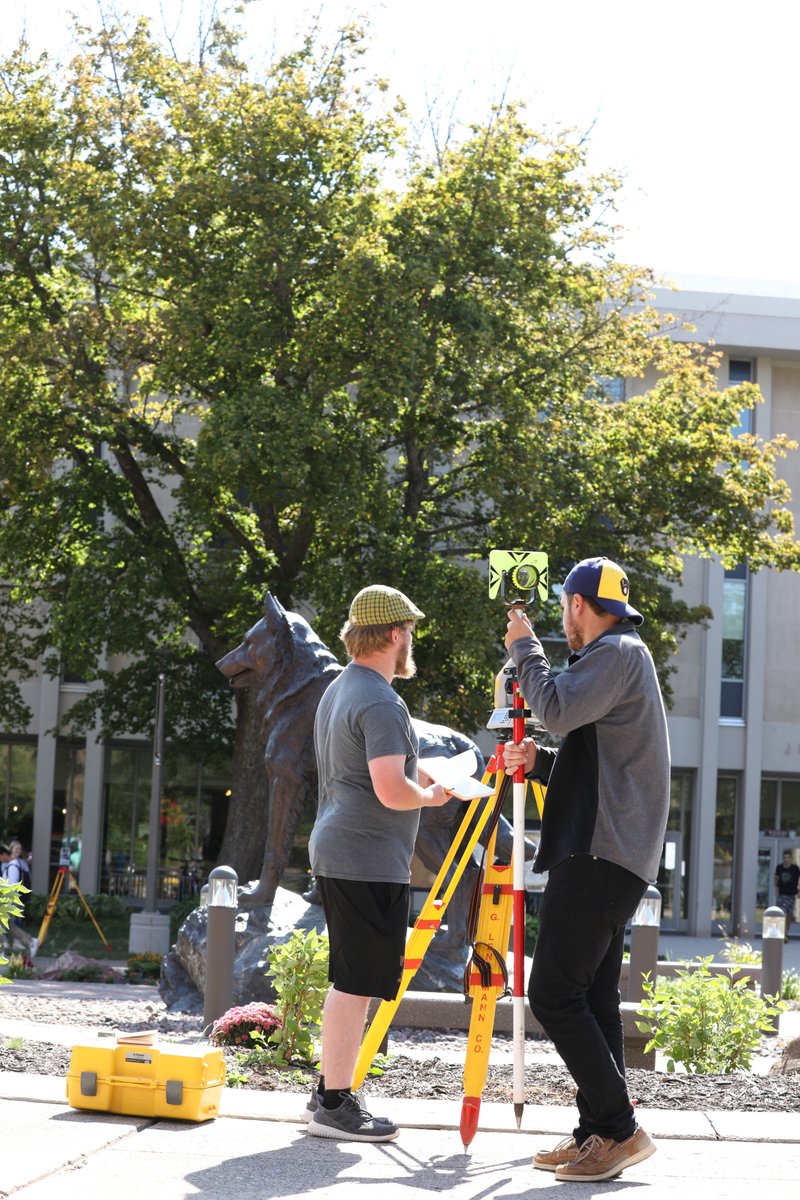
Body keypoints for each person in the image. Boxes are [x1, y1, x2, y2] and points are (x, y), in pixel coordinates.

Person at [503, 556, 670, 1183]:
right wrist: (540, 761)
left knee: (552, 992)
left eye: (565, 611)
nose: (561, 624)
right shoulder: (625, 657)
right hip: (610, 848)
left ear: (577, 606)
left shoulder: (615, 653)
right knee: (594, 996)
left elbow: (555, 708)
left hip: (602, 851)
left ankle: (620, 1130)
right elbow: (601, 755)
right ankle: (598, 1130)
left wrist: (526, 649)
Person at [306, 584, 462, 1143]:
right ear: (395, 634)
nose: (410, 642)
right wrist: (433, 794)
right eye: (410, 632)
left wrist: (414, 780)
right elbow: (391, 792)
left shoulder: (340, 689)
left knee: (352, 977)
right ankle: (335, 1102)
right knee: (357, 982)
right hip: (365, 856)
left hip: (345, 849)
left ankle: (330, 1087)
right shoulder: (379, 699)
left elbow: (367, 776)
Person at [4, 840, 38, 959]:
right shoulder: (14, 864)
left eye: (19, 848)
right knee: (8, 925)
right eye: (16, 848)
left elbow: (12, 886)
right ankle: (30, 942)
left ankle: (30, 942)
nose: (18, 851)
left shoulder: (13, 866)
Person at [774, 849, 800, 941]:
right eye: (785, 857)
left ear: (791, 858)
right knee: (781, 913)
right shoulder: (779, 868)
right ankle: (780, 933)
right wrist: (776, 889)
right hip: (782, 894)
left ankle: (785, 933)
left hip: (791, 895)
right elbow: (776, 878)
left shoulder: (795, 868)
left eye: (788, 857)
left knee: (788, 915)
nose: (786, 859)